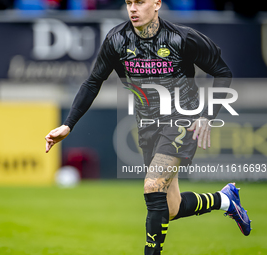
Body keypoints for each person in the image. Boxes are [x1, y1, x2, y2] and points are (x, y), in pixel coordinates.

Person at [45, 0, 251, 254]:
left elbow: (222, 72)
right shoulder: (117, 40)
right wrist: (68, 124)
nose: (133, 8)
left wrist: (207, 115)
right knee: (171, 208)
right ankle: (225, 200)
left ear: (157, 4)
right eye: (129, 2)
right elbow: (92, 82)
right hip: (148, 125)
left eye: (140, 2)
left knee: (153, 185)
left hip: (182, 120)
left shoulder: (182, 38)